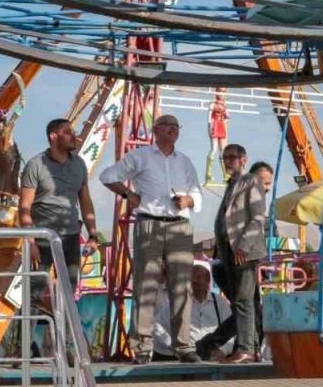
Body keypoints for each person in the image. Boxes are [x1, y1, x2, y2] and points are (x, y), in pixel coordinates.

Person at [100, 113, 203, 363]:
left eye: (176, 126)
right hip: (149, 223)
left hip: (180, 226)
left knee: (182, 286)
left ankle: (184, 347)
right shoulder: (140, 156)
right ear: (155, 130)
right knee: (146, 286)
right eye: (168, 125)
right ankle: (142, 347)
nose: (173, 129)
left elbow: (197, 193)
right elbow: (107, 176)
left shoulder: (185, 161)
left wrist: (188, 200)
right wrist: (129, 195)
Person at [19, 118, 103, 309]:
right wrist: (30, 240)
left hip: (70, 235)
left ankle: (62, 327)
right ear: (53, 136)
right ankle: (28, 327)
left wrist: (93, 235)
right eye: (68, 132)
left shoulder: (79, 164)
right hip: (42, 237)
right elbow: (24, 205)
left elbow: (85, 202)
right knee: (35, 291)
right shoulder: (36, 165)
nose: (74, 136)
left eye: (74, 132)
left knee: (69, 290)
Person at [204, 144, 266, 364]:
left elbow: (258, 216)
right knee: (245, 303)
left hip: (243, 253)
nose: (228, 162)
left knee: (243, 301)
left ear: (243, 159)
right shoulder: (232, 184)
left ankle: (245, 348)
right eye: (225, 158)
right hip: (228, 252)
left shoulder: (251, 181)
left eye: (232, 157)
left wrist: (244, 246)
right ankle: (251, 347)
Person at [152, 261, 232, 360]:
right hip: (184, 357)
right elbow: (156, 324)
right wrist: (171, 344)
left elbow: (231, 329)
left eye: (198, 277)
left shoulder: (219, 302)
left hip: (213, 357)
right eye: (191, 277)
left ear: (207, 280)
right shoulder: (178, 301)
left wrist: (223, 351)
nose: (194, 280)